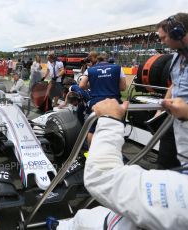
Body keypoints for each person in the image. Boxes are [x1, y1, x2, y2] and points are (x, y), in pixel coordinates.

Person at [56, 98, 188, 230]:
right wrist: (185, 120)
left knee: (83, 220)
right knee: (86, 216)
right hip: (126, 217)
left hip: (117, 223)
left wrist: (109, 121)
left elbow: (102, 177)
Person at [155, 12, 188, 164]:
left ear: (177, 33)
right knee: (165, 167)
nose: (162, 42)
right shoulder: (176, 57)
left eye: (163, 37)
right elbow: (174, 84)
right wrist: (160, 109)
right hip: (174, 122)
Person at [79, 52, 126, 145]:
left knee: (92, 129)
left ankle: (91, 152)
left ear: (97, 60)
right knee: (115, 128)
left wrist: (93, 85)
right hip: (114, 102)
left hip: (97, 102)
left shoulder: (90, 69)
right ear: (108, 59)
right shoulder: (118, 68)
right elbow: (123, 87)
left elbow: (81, 85)